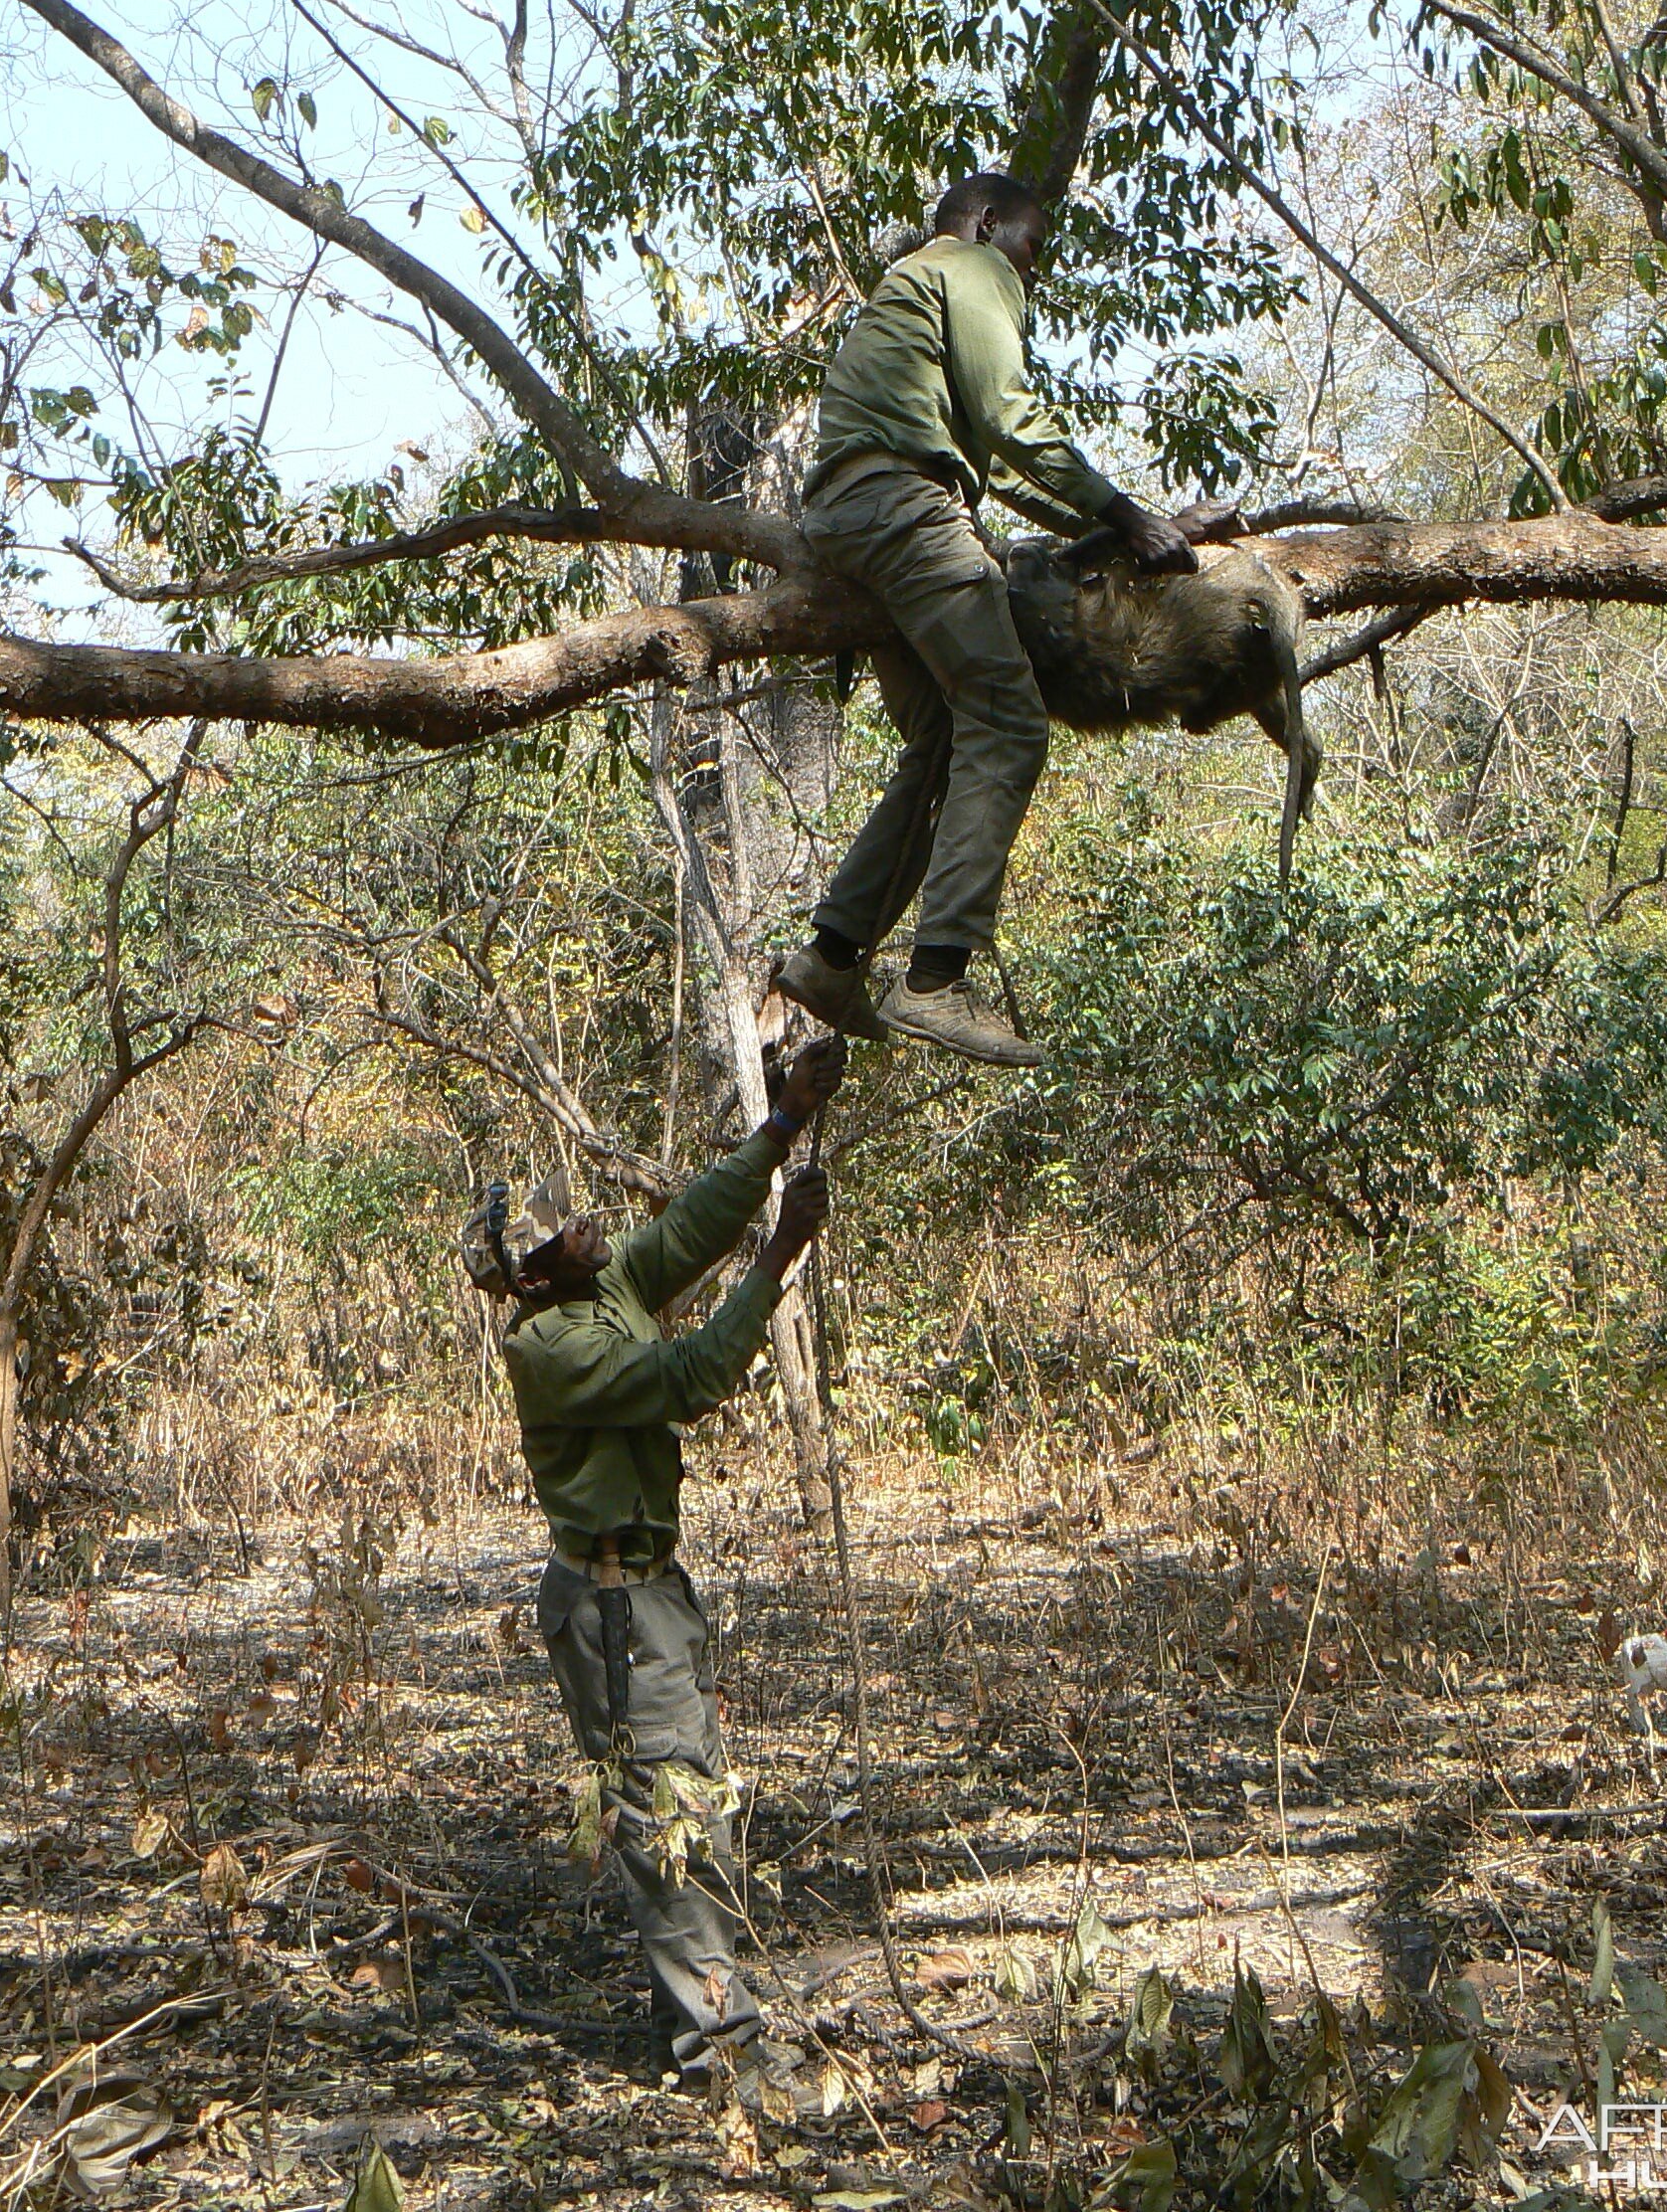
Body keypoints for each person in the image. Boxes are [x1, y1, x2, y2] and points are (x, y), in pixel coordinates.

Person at [460, 1033, 847, 2084]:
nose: (587, 1224)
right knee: (665, 1813)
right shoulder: (552, 1347)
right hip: (614, 1611)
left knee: (700, 1800)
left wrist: (779, 1126)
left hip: (650, 1594)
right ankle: (721, 2045)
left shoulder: (601, 1282)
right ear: (534, 1273)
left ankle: (709, 2007)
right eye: (560, 1229)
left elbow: (689, 1226)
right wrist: (779, 1258)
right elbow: (688, 1373)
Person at [777, 170, 1198, 1066]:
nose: (1032, 269)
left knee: (941, 736)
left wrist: (1116, 535)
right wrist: (1128, 515)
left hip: (851, 518)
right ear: (988, 221)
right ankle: (935, 980)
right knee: (1007, 720)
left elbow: (998, 469)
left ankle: (831, 959)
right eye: (1033, 245)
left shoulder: (910, 296)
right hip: (905, 511)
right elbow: (1012, 419)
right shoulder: (968, 266)